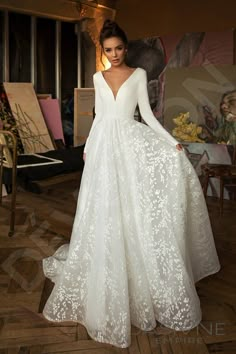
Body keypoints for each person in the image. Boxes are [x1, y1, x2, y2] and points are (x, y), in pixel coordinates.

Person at [42, 19, 220, 348]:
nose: (114, 55)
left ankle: (138, 275)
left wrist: (171, 144)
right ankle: (108, 271)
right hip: (104, 150)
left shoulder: (138, 75)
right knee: (104, 210)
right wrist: (89, 149)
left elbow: (147, 116)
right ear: (104, 51)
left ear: (126, 47)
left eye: (119, 48)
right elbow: (98, 117)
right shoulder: (97, 77)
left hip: (130, 144)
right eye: (108, 50)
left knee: (134, 207)